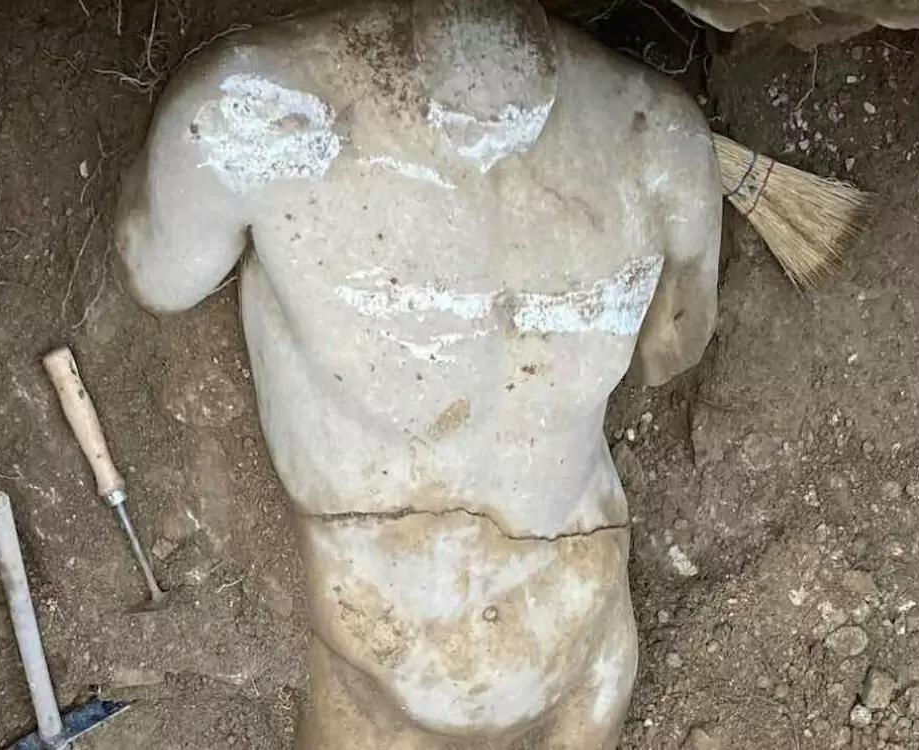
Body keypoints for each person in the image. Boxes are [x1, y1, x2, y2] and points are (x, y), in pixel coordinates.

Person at [115, 1, 721, 746]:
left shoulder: (250, 113)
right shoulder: (662, 138)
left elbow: (158, 277)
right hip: (580, 648)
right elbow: (670, 350)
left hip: (390, 652)